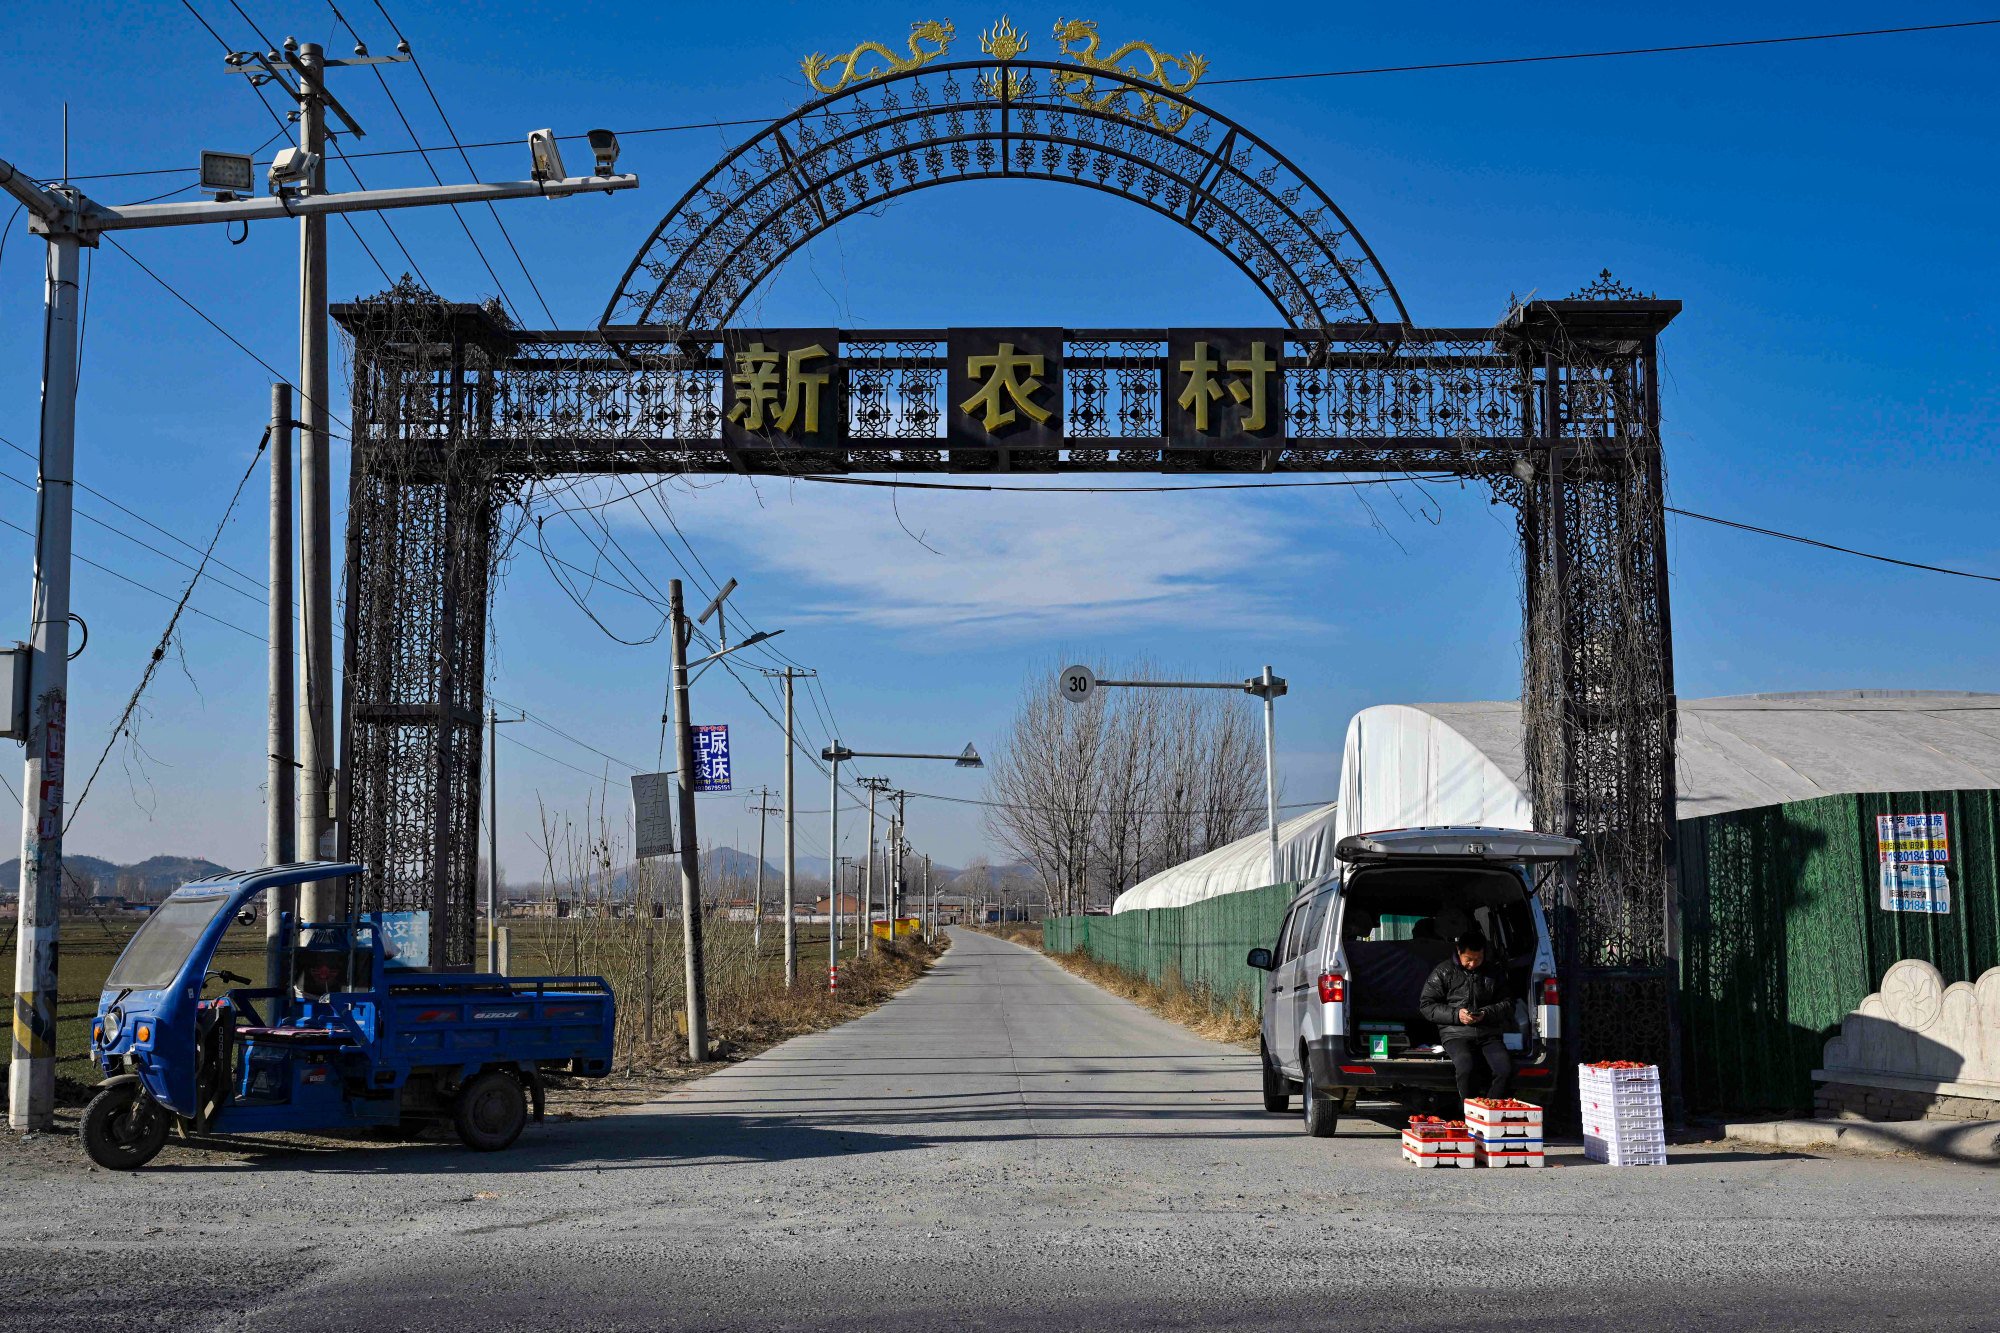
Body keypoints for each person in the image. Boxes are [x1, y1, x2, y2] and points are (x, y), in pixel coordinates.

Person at [1418, 928, 1516, 1100]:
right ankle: (1470, 1114)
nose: (1473, 964)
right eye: (1468, 959)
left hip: (1488, 1032)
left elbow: (1508, 1004)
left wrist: (1486, 1013)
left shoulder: (1494, 972)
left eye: (1478, 959)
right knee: (1466, 1067)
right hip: (1455, 1033)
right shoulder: (1443, 971)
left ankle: (1489, 1112)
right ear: (1458, 951)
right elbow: (1427, 1005)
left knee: (1504, 1070)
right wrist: (1457, 1015)